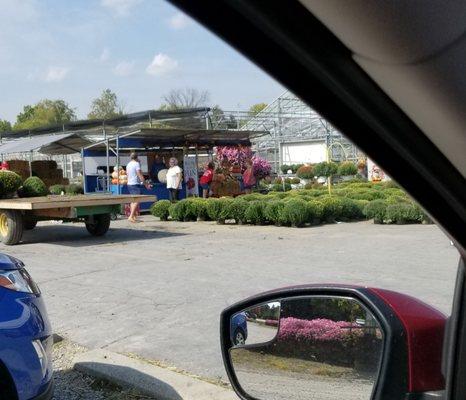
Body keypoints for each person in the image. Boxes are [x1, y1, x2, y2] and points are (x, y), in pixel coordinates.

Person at [126, 152, 149, 222]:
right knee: (137, 200)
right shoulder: (136, 164)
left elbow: (127, 174)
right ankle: (131, 216)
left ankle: (133, 216)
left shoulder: (128, 164)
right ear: (137, 157)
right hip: (134, 184)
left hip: (129, 183)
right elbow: (140, 174)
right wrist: (145, 184)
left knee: (133, 200)